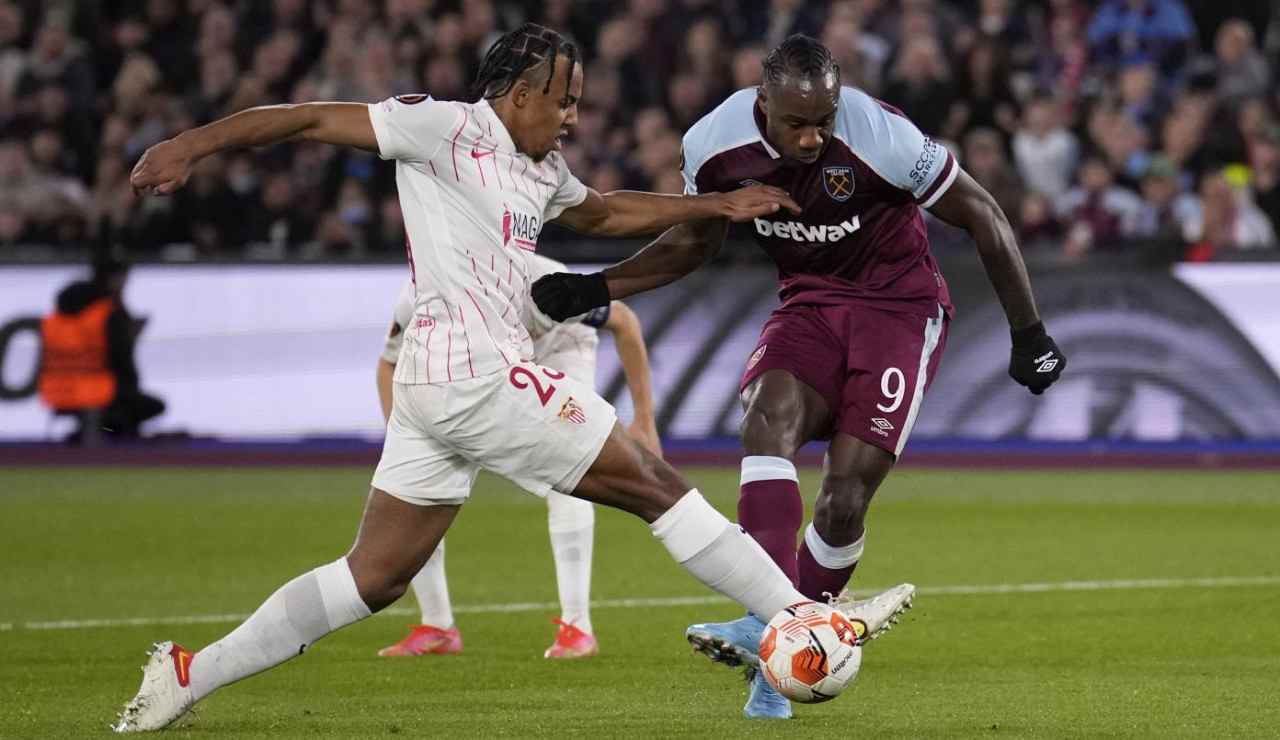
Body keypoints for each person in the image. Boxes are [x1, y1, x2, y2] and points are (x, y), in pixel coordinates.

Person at [113, 24, 907, 733]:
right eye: (564, 102)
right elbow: (310, 119)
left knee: (374, 578)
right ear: (521, 94)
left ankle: (188, 674)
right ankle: (803, 616)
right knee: (653, 483)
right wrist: (189, 145)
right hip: (474, 374)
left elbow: (604, 212)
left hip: (439, 386)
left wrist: (713, 208)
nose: (573, 119)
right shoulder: (442, 127)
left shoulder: (541, 167)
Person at [533, 34, 1068, 719]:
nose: (813, 138)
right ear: (763, 101)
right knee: (766, 421)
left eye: (824, 120)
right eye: (796, 123)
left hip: (900, 309)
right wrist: (598, 287)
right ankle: (779, 631)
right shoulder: (715, 143)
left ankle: (773, 642)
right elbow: (696, 241)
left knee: (843, 501)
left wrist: (1029, 334)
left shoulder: (882, 136)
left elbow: (984, 215)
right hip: (808, 303)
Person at [375, 253, 661, 660]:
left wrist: (644, 420)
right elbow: (388, 365)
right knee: (415, 483)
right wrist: (400, 436)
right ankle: (437, 626)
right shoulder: (420, 296)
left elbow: (625, 322)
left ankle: (577, 629)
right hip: (485, 367)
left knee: (569, 473)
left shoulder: (538, 279)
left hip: (560, 349)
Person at [39, 258, 165, 442]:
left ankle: (95, 430)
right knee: (149, 406)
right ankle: (113, 434)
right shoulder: (107, 313)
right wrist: (129, 335)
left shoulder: (55, 317)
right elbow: (122, 361)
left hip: (55, 391)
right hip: (97, 393)